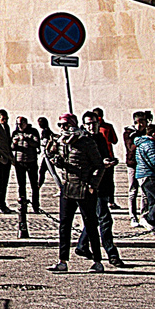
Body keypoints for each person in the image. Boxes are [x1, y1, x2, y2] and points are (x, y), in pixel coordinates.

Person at [45, 113, 105, 273]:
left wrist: (93, 184)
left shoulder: (86, 142)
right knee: (64, 225)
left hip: (84, 187)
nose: (63, 128)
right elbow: (57, 159)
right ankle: (62, 260)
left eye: (65, 125)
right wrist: (56, 158)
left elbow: (99, 165)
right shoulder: (62, 142)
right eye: (60, 125)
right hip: (68, 187)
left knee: (91, 224)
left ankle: (97, 261)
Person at [75, 112, 125, 267]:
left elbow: (104, 156)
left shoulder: (100, 139)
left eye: (94, 123)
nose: (92, 126)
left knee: (95, 219)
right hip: (91, 185)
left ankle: (82, 246)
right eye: (88, 123)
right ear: (83, 125)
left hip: (103, 183)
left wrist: (110, 162)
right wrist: (101, 164)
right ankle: (112, 254)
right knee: (105, 219)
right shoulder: (82, 141)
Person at [134, 122, 155, 232]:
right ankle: (149, 219)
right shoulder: (150, 144)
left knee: (153, 201)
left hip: (143, 174)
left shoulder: (142, 143)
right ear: (154, 134)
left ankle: (154, 225)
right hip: (149, 175)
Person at [122, 110, 152, 228]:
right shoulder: (129, 133)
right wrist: (143, 140)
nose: (141, 125)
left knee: (145, 192)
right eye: (138, 122)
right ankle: (132, 216)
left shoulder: (147, 132)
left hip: (144, 165)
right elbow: (131, 147)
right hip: (133, 164)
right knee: (133, 190)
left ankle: (144, 215)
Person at [11, 116, 42, 215]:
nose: (19, 126)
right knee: (21, 185)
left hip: (31, 161)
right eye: (17, 124)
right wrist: (14, 143)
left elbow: (37, 144)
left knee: (34, 184)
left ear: (25, 123)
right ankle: (23, 205)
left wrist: (26, 139)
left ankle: (35, 206)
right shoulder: (15, 133)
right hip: (19, 162)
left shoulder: (33, 131)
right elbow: (11, 147)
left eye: (20, 124)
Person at [35, 117, 54, 190]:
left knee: (48, 172)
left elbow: (45, 142)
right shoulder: (48, 131)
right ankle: (39, 185)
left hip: (47, 155)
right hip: (46, 155)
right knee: (47, 171)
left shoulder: (45, 132)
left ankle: (39, 186)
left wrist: (42, 147)